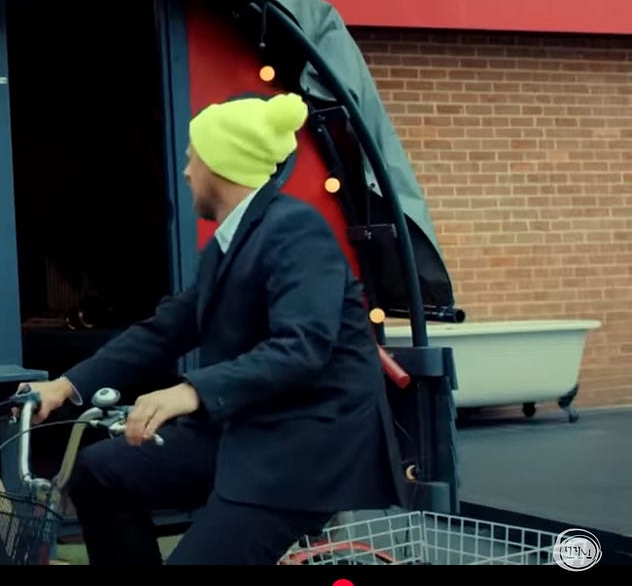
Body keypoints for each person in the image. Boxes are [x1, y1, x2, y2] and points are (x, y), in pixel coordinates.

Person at [21, 92, 406, 566]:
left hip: (298, 448)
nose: (186, 172)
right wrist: (66, 385)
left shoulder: (295, 229)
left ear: (220, 165)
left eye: (192, 158)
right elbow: (165, 330)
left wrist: (191, 393)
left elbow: (302, 347)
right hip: (245, 429)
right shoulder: (232, 240)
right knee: (100, 472)